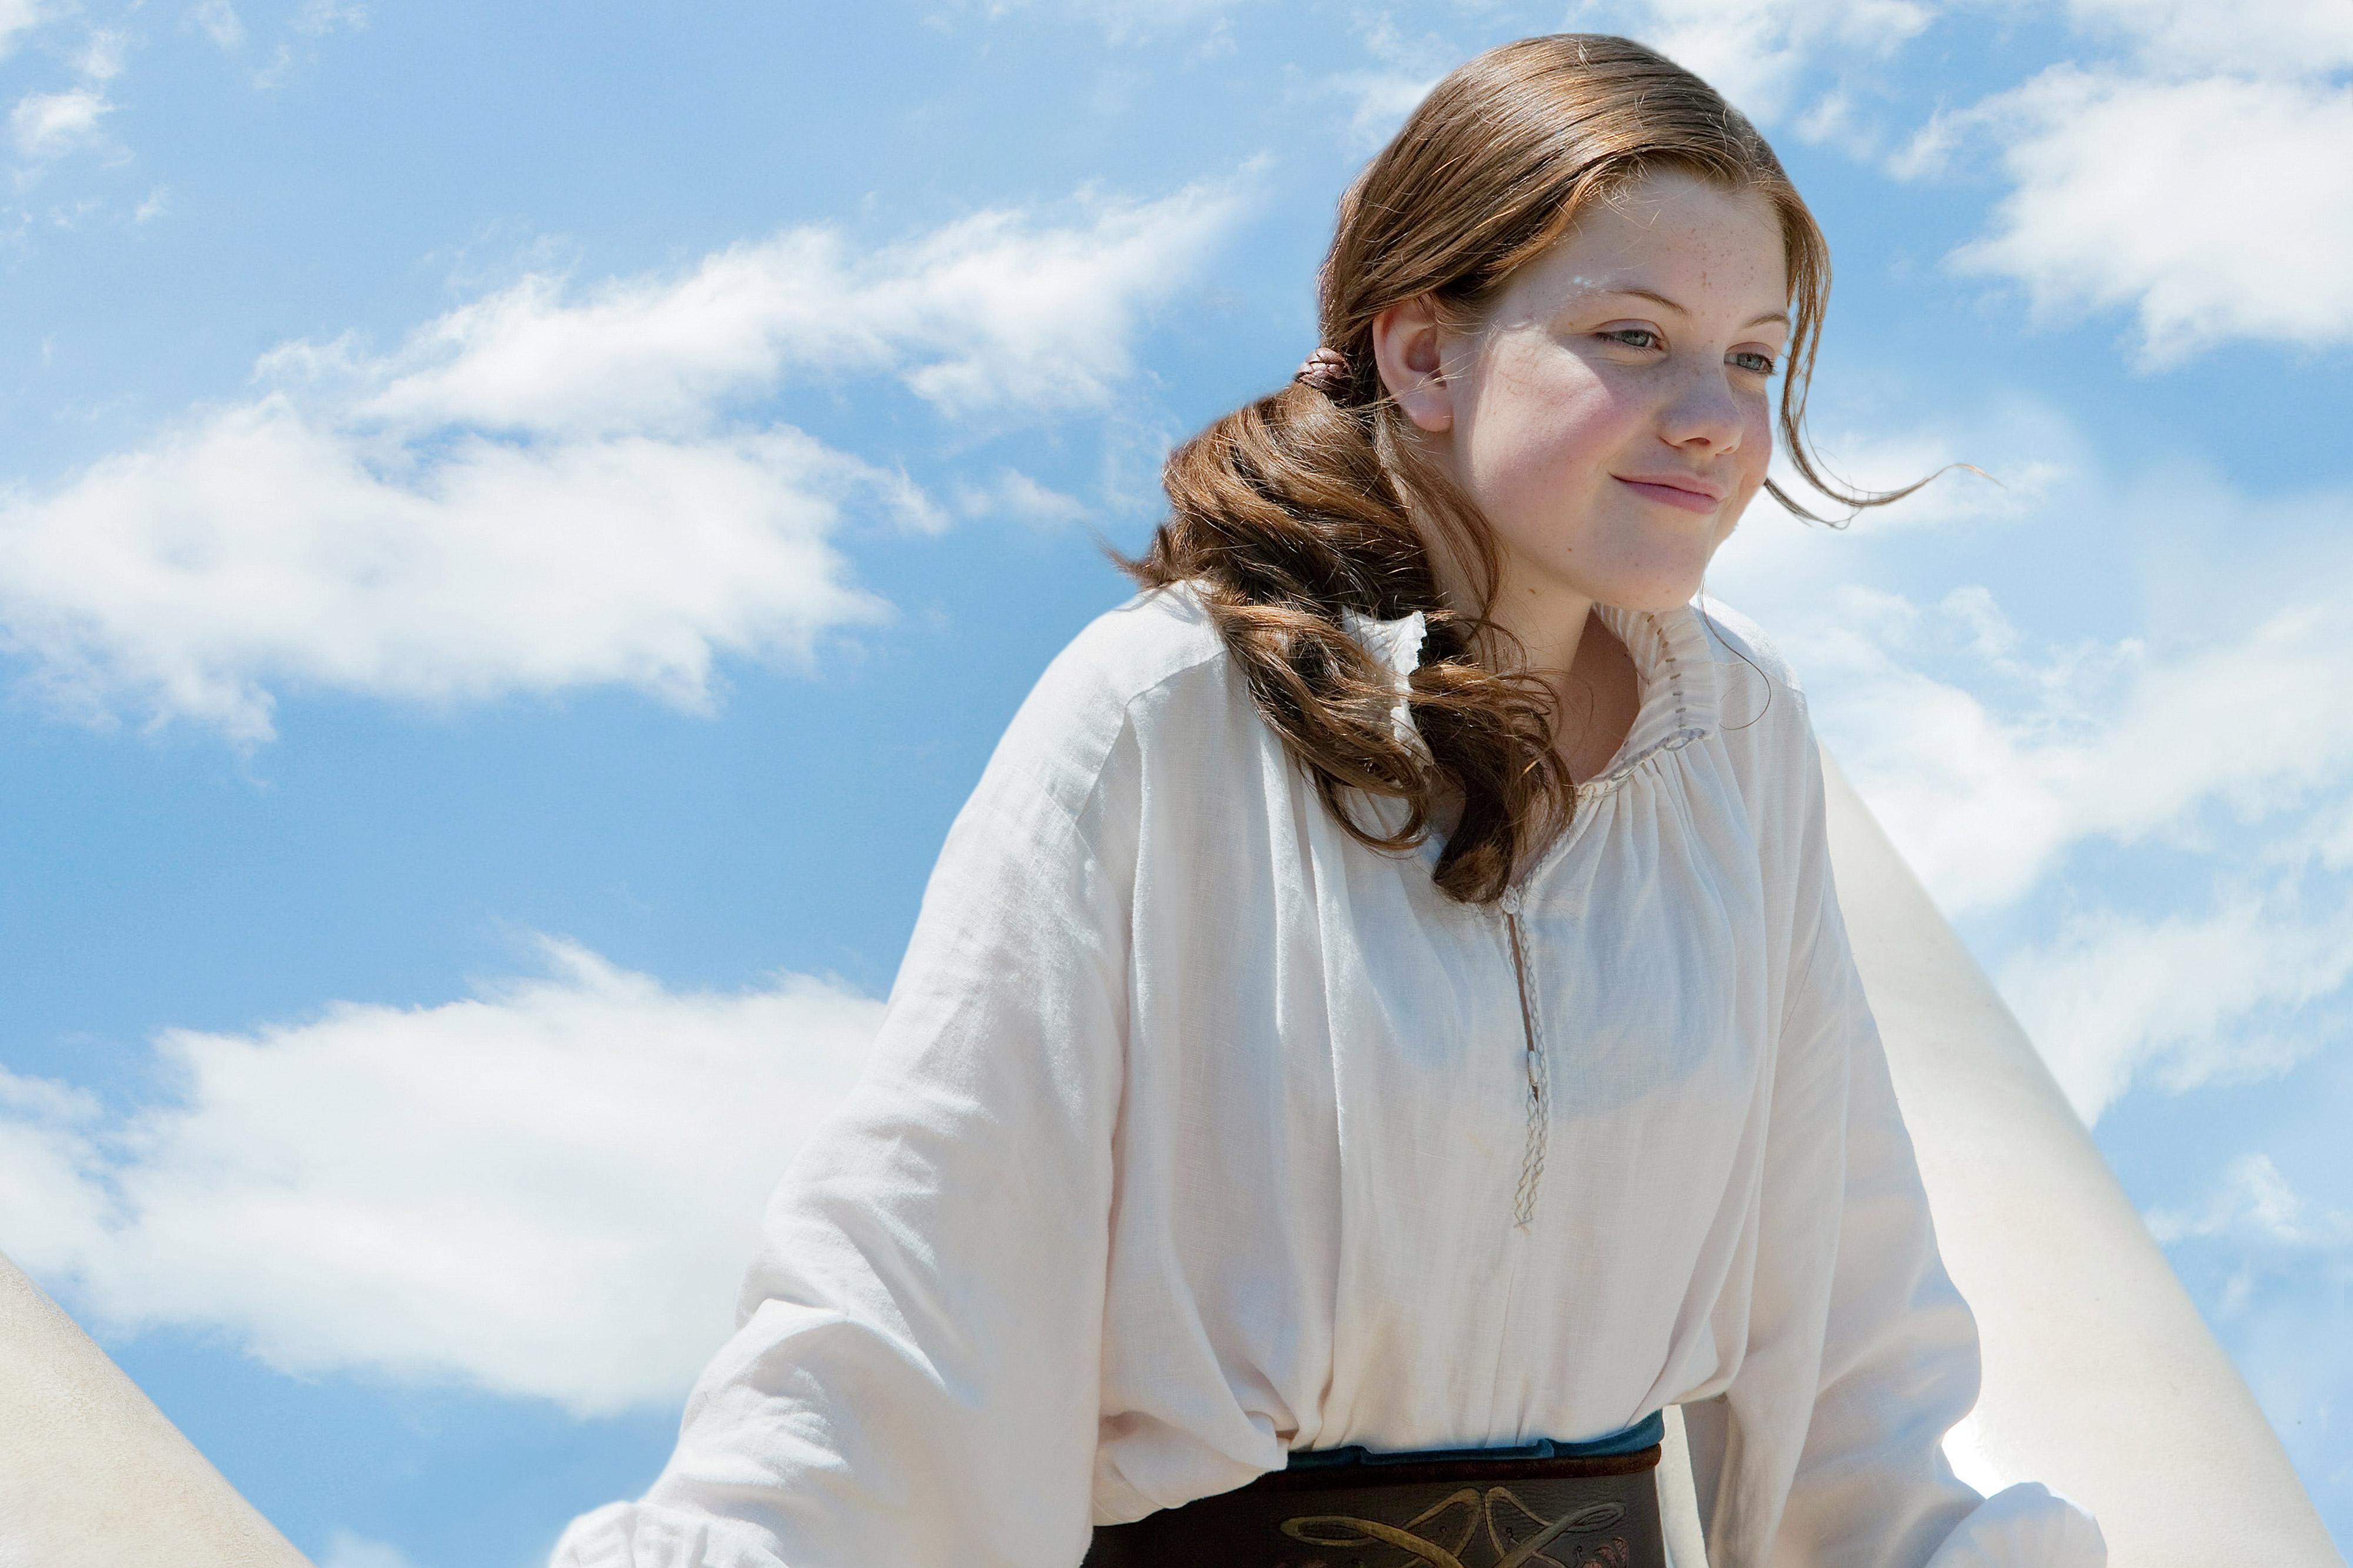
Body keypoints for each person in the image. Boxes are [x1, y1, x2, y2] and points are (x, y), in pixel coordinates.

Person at [551, 33, 2107, 1568]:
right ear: (1425, 353)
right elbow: (915, 1279)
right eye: (1633, 336)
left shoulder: (1740, 746)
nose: (1712, 413)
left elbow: (1842, 1310)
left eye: (1754, 356)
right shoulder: (1161, 715)